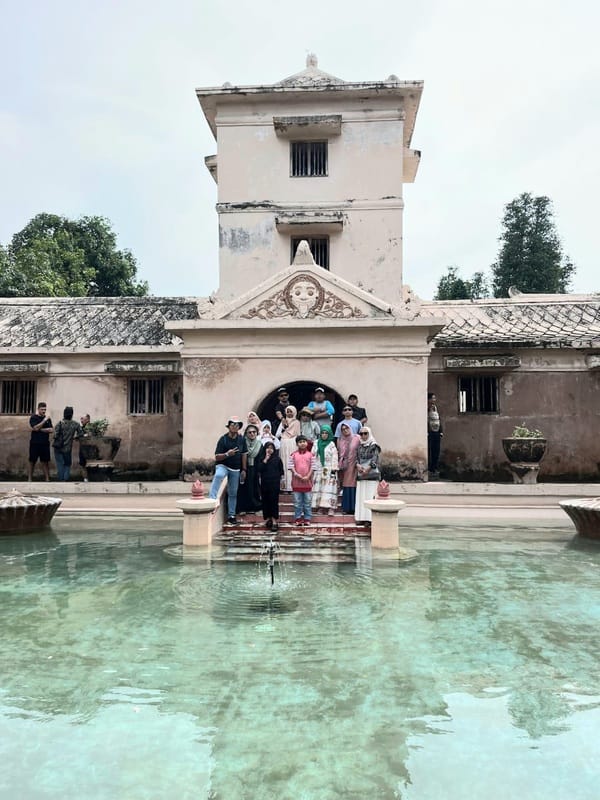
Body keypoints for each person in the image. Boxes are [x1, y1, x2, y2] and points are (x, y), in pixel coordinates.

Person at [209, 417, 248, 525]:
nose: (235, 426)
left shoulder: (241, 439)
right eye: (233, 424)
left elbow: (244, 454)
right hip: (223, 465)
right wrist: (227, 454)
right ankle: (211, 500)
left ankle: (231, 515)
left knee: (233, 492)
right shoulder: (223, 439)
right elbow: (217, 457)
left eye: (237, 425)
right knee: (218, 475)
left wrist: (244, 469)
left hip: (235, 468)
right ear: (229, 426)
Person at [355, 426, 381, 524]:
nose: (363, 435)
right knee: (362, 496)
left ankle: (369, 519)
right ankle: (361, 518)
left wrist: (368, 468)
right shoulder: (360, 446)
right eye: (361, 434)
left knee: (370, 496)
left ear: (369, 434)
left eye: (365, 433)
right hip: (361, 474)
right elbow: (357, 458)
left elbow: (375, 459)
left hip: (371, 475)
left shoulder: (374, 446)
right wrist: (358, 465)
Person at [288, 435, 316, 526]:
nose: (302, 443)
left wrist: (308, 476)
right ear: (297, 444)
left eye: (304, 441)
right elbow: (290, 466)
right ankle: (298, 518)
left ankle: (307, 518)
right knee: (297, 503)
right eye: (300, 442)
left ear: (307, 443)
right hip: (296, 483)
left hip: (307, 483)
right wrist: (297, 475)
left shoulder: (311, 455)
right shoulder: (293, 455)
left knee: (307, 502)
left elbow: (313, 467)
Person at [312, 424, 338, 516]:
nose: (324, 435)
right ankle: (321, 507)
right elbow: (313, 455)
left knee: (329, 488)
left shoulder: (331, 444)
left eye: (326, 433)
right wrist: (313, 468)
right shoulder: (316, 442)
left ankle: (331, 508)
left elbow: (335, 457)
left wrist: (334, 469)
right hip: (319, 468)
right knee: (320, 488)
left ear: (329, 434)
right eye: (322, 433)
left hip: (329, 468)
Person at [236, 423, 262, 513]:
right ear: (246, 433)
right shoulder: (242, 443)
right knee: (244, 488)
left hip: (254, 468)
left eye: (254, 432)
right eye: (249, 432)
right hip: (244, 468)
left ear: (257, 433)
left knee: (254, 487)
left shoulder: (259, 444)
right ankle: (243, 507)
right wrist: (243, 469)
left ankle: (254, 506)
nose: (252, 434)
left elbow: (260, 458)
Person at [258, 441, 284, 531]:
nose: (270, 450)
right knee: (265, 501)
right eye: (268, 448)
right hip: (265, 483)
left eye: (271, 448)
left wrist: (282, 481)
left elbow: (281, 471)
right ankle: (268, 519)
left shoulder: (277, 459)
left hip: (274, 483)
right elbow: (259, 469)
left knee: (273, 502)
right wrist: (265, 459)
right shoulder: (262, 458)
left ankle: (274, 521)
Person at [53, 406, 84, 482]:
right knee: (67, 464)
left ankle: (61, 479)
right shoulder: (75, 424)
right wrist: (74, 438)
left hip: (58, 447)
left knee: (60, 464)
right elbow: (81, 434)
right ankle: (65, 479)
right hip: (67, 448)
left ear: (64, 414)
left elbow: (55, 436)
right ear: (72, 414)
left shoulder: (59, 423)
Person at [337, 422, 360, 514]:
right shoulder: (340, 440)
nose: (345, 430)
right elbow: (339, 453)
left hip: (355, 465)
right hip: (345, 466)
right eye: (343, 429)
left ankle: (354, 508)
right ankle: (346, 508)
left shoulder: (357, 438)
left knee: (354, 485)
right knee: (346, 485)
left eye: (347, 428)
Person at [277, 405, 301, 491]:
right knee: (284, 463)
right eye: (288, 411)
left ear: (294, 412)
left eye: (291, 411)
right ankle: (284, 487)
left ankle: (292, 486)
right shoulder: (283, 422)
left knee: (292, 464)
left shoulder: (297, 422)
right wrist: (284, 429)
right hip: (284, 443)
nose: (289, 413)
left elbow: (298, 435)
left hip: (293, 443)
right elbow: (278, 434)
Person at [28, 401, 54, 481]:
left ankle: (47, 479)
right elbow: (35, 428)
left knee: (45, 461)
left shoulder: (48, 419)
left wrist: (39, 429)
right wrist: (44, 421)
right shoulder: (33, 418)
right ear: (38, 409)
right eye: (42, 409)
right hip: (35, 443)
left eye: (45, 409)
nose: (43, 411)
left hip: (44, 443)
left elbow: (51, 430)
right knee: (32, 461)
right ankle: (29, 479)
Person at [427, 392, 443, 477]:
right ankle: (429, 469)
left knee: (436, 450)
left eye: (434, 398)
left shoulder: (436, 408)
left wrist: (441, 431)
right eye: (433, 398)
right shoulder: (426, 408)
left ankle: (434, 468)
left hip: (437, 432)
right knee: (430, 451)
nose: (434, 400)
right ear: (428, 399)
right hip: (430, 432)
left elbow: (439, 419)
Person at [78, 413, 90, 481]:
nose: (81, 420)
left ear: (88, 419)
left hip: (89, 449)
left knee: (90, 464)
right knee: (82, 464)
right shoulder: (81, 428)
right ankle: (85, 479)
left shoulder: (92, 427)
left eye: (83, 418)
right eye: (81, 418)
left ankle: (91, 478)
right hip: (82, 449)